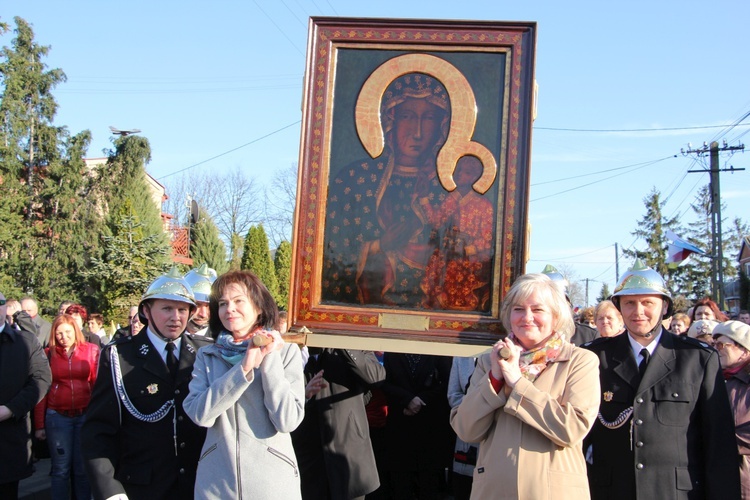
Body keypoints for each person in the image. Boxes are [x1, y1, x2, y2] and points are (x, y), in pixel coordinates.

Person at [582, 259, 740, 499]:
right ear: (619, 307)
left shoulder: (698, 358)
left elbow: (719, 443)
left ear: (665, 306)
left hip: (676, 493)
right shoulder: (595, 357)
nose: (638, 312)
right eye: (629, 303)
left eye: (648, 303)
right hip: (611, 490)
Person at [450, 273, 600, 499]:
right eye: (518, 309)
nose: (527, 317)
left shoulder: (579, 361)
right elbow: (466, 430)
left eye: (538, 310)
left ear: (556, 316)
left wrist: (518, 384)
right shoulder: (489, 361)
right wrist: (495, 380)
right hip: (494, 490)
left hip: (552, 492)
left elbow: (572, 428)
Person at [323, 72, 458, 309]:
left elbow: (460, 253)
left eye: (428, 119)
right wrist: (379, 246)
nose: (417, 132)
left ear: (441, 126)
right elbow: (334, 253)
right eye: (407, 116)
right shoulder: (355, 179)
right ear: (389, 120)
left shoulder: (449, 187)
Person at [82, 268, 213, 500]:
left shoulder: (205, 352)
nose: (176, 317)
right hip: (141, 488)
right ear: (146, 310)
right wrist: (110, 491)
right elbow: (98, 432)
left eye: (183, 310)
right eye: (167, 308)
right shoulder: (119, 357)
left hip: (198, 486)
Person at [183, 270, 305, 500]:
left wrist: (269, 360)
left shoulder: (286, 353)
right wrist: (243, 370)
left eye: (239, 301)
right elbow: (199, 414)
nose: (229, 309)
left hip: (272, 486)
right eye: (222, 303)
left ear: (259, 307)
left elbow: (287, 419)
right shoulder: (207, 356)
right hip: (216, 486)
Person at [291, 348, 386, 499]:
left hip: (349, 451)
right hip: (309, 455)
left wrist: (342, 344)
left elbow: (376, 377)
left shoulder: (353, 346)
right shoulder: (296, 348)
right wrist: (305, 394)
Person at [34, 314, 99, 500]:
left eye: (68, 332)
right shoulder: (48, 354)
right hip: (58, 417)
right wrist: (39, 425)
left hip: (84, 415)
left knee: (82, 469)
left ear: (76, 331)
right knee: (61, 469)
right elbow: (42, 390)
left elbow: (97, 386)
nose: (64, 336)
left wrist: (97, 419)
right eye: (59, 333)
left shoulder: (91, 351)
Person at [420, 155, 495, 311]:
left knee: (455, 270)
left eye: (466, 172)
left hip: (470, 256)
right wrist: (424, 199)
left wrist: (467, 248)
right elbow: (436, 221)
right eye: (458, 170)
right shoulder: (451, 199)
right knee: (436, 263)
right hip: (449, 252)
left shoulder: (483, 204)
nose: (460, 174)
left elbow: (487, 239)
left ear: (474, 177)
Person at [0, 291, 52, 500]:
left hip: (9, 439)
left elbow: (41, 379)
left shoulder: (24, 341)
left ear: (6, 308)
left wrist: (11, 409)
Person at [381, 352, 454, 499]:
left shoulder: (438, 350)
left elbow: (448, 383)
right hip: (400, 428)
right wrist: (407, 400)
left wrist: (421, 400)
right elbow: (384, 382)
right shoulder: (393, 349)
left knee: (429, 485)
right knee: (401, 485)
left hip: (431, 429)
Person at [713, 320, 750, 498]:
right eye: (714, 344)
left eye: (722, 344)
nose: (716, 348)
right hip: (717, 475)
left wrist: (717, 439)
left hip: (745, 478)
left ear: (743, 350)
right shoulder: (713, 377)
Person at [541, 264, 598, 345]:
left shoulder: (588, 335)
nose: (554, 307)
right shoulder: (528, 335)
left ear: (567, 304)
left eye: (559, 301)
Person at [447, 356, 479, 500]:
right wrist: (476, 406)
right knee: (464, 489)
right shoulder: (461, 357)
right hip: (467, 431)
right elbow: (453, 395)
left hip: (494, 435)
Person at [184, 263, 216, 336]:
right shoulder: (168, 338)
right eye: (197, 304)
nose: (203, 314)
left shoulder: (223, 342)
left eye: (209, 306)